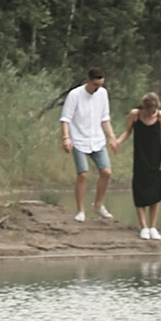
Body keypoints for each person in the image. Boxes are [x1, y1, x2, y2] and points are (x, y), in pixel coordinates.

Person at [59, 65, 115, 225]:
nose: (98, 88)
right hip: (78, 139)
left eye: (100, 85)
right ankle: (81, 210)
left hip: (96, 138)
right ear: (88, 81)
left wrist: (111, 136)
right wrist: (66, 138)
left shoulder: (102, 94)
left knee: (106, 171)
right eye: (95, 85)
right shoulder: (75, 95)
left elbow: (105, 117)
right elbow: (66, 118)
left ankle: (98, 205)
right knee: (83, 173)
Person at [129, 89, 161, 240]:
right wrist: (117, 141)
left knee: (155, 193)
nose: (152, 113)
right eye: (149, 111)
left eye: (154, 111)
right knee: (140, 192)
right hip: (140, 157)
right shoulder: (135, 114)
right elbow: (128, 131)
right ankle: (143, 227)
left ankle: (153, 227)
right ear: (143, 108)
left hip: (155, 158)